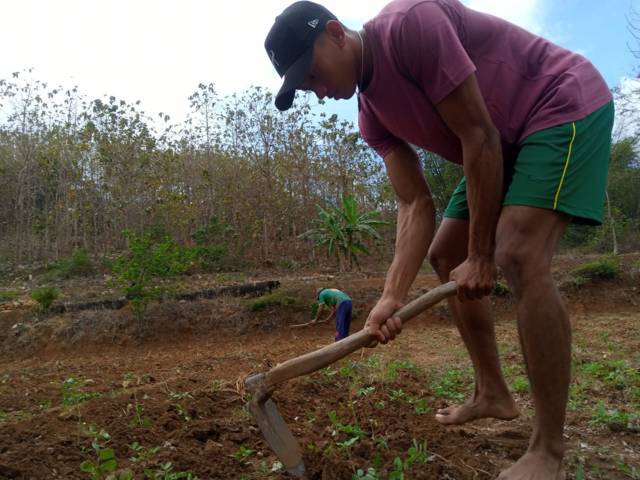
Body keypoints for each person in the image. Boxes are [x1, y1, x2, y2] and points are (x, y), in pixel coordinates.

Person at [264, 1, 614, 478]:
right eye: (306, 87)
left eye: (314, 74)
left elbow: (479, 135)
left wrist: (483, 255)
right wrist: (391, 296)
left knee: (517, 252)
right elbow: (414, 205)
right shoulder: (371, 117)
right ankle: (492, 393)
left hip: (558, 102)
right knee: (446, 253)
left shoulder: (410, 26)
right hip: (500, 142)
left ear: (335, 33)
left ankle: (547, 451)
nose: (318, 91)